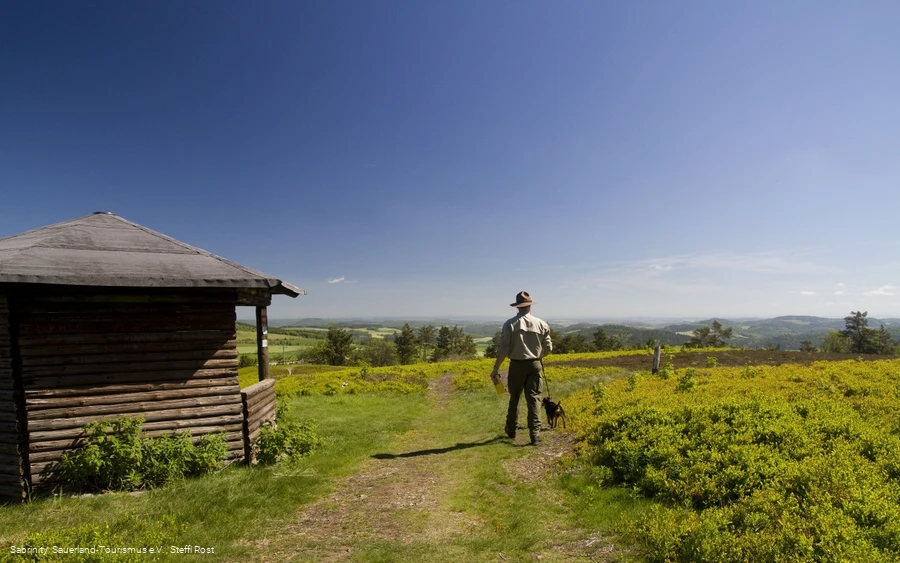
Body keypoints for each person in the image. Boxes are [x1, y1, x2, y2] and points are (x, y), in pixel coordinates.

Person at [489, 291, 553, 445]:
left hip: (517, 365)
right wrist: (538, 357)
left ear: (517, 307)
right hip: (535, 364)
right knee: (535, 399)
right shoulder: (541, 323)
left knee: (515, 398)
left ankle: (511, 430)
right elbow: (549, 348)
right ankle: (535, 434)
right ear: (530, 305)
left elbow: (503, 349)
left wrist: (496, 368)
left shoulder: (510, 324)